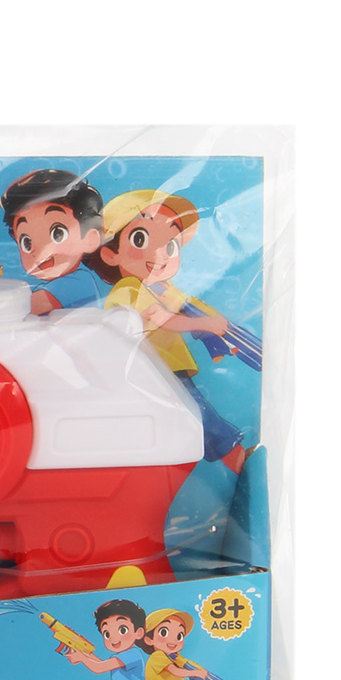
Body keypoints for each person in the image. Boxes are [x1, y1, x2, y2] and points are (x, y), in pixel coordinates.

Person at [86, 189, 250, 473]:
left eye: (170, 245)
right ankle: (239, 463)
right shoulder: (130, 288)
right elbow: (163, 318)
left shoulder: (162, 289)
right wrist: (204, 324)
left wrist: (216, 327)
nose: (160, 254)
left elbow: (186, 306)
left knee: (189, 419)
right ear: (110, 254)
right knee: (201, 417)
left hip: (160, 371)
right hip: (150, 371)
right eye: (141, 239)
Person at [0, 169, 105, 314]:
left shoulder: (78, 281)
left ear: (90, 239)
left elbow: (24, 309)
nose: (41, 249)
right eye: (26, 243)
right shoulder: (51, 287)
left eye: (58, 234)